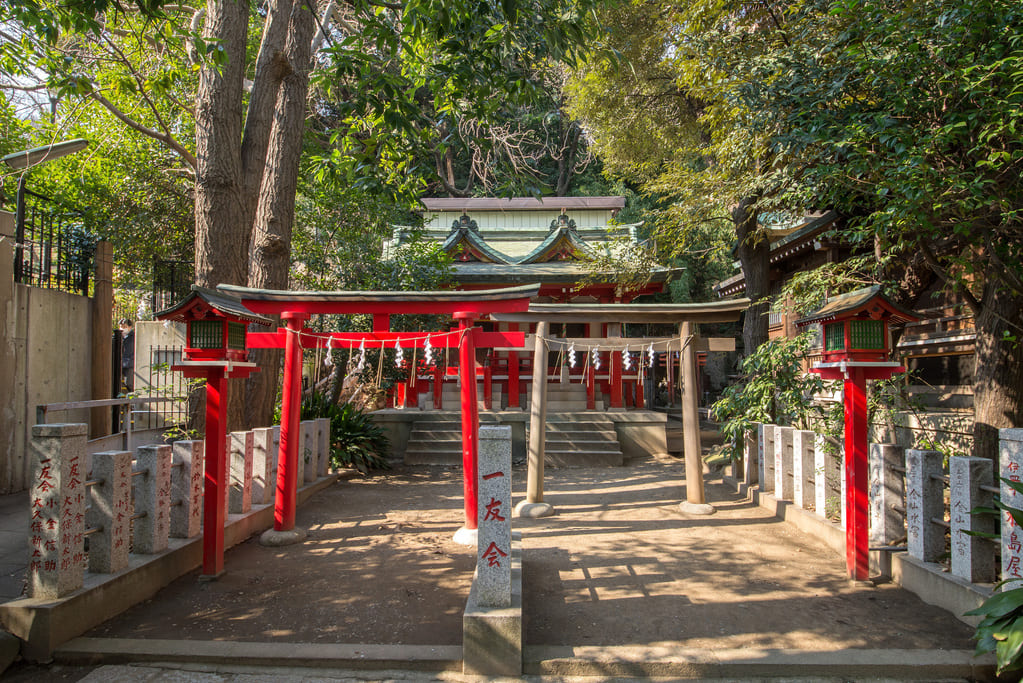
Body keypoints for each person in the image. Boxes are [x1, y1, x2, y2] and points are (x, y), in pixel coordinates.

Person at [119, 319, 135, 393]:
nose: (122, 329)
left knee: (129, 383)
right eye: (121, 327)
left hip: (129, 363)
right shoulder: (118, 337)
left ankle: (131, 400)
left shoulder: (134, 336)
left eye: (124, 327)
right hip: (120, 363)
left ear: (130, 327)